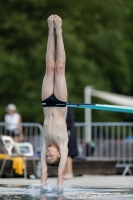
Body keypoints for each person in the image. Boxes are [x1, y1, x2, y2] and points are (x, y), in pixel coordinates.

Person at [41, 14, 68, 193]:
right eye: (52, 157)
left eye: (47, 157)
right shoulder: (62, 144)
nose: (49, 155)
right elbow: (60, 172)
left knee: (49, 66)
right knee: (59, 68)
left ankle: (49, 31)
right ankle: (59, 31)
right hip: (59, 103)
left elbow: (44, 170)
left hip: (45, 102)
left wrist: (42, 191)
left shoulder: (44, 144)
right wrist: (59, 193)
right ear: (58, 155)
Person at [64, 103, 78, 179]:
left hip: (68, 132)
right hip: (66, 131)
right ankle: (66, 172)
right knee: (66, 153)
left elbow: (69, 119)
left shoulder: (67, 105)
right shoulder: (66, 105)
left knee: (69, 154)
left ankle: (69, 172)